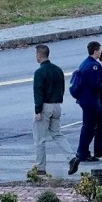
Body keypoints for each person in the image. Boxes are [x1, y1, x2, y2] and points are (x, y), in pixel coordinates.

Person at [69, 41, 102, 175]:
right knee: (89, 127)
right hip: (90, 100)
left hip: (87, 100)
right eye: (99, 50)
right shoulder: (93, 66)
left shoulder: (84, 63)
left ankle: (95, 149)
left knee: (100, 122)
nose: (100, 52)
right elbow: (94, 84)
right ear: (96, 51)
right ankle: (83, 152)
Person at [32, 44, 70, 174]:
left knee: (40, 139)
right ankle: (71, 157)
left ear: (39, 56)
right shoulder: (58, 70)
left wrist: (38, 110)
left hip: (45, 106)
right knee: (57, 134)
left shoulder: (39, 72)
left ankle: (41, 168)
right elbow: (62, 88)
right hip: (57, 105)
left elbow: (38, 93)